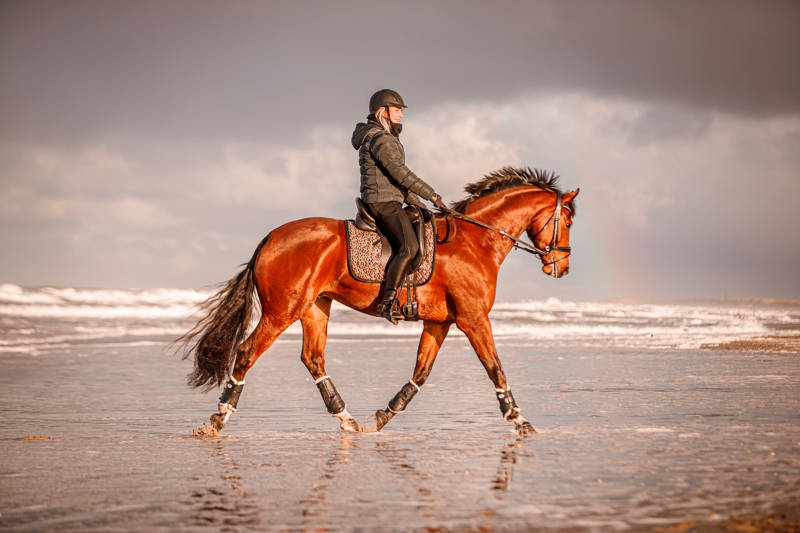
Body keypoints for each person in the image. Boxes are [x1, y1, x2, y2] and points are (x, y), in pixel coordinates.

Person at [351, 89, 448, 324]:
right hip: (382, 202)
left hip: (389, 198)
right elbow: (400, 173)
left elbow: (395, 182)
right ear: (382, 111)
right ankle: (388, 302)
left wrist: (419, 203)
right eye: (397, 110)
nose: (401, 115)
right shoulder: (380, 139)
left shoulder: (381, 137)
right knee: (409, 247)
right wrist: (431, 195)